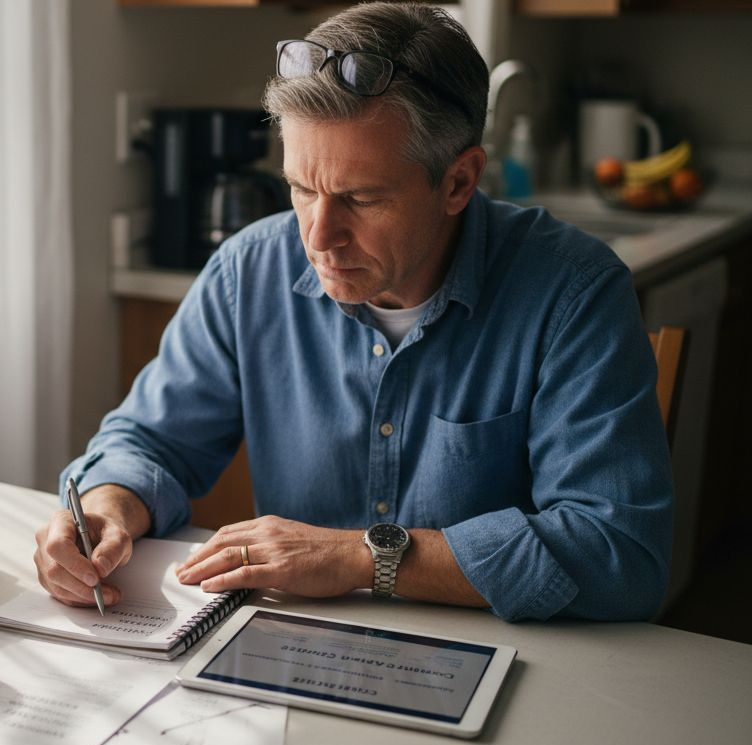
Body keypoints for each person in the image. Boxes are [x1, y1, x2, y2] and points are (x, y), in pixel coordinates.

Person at [34, 1, 673, 622]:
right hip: (293, 654)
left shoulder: (574, 294)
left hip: (512, 665)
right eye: (301, 189)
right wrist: (107, 507)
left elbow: (619, 554)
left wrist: (360, 557)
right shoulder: (247, 271)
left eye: (360, 199)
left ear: (458, 181)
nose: (317, 237)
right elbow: (150, 441)